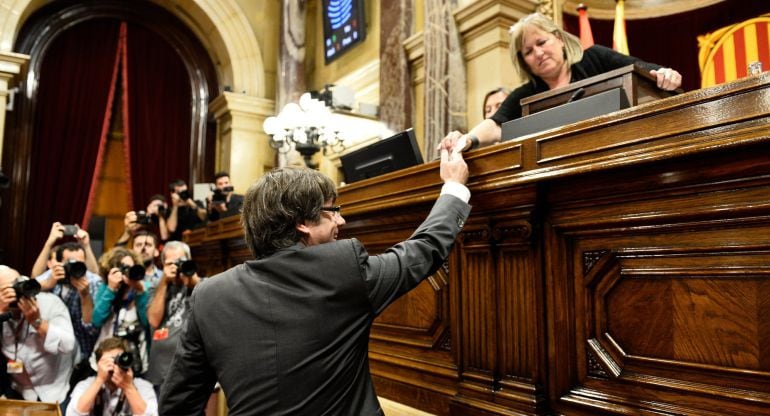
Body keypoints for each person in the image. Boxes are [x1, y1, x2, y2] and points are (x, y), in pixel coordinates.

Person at [159, 144, 471, 415]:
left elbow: (177, 404)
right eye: (332, 210)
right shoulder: (343, 270)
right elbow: (422, 251)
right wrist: (454, 187)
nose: (341, 219)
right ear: (302, 223)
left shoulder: (210, 294)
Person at [442, 12, 683, 151]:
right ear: (524, 61)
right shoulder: (527, 93)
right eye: (527, 51)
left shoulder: (595, 57)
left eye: (541, 42)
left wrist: (665, 75)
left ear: (558, 39)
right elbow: (496, 124)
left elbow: (645, 72)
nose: (537, 53)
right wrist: (467, 139)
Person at [0, 265, 76, 403]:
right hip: (17, 388)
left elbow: (68, 344)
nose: (17, 292)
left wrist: (38, 322)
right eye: (8, 290)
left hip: (53, 389)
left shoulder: (50, 302)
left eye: (17, 283)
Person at [34, 242, 103, 389]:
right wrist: (47, 284)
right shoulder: (53, 275)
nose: (75, 267)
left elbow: (91, 329)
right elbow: (28, 288)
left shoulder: (94, 282)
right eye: (71, 263)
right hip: (52, 357)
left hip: (82, 357)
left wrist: (85, 296)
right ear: (59, 263)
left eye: (80, 263)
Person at [145, 241, 202, 393]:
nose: (175, 267)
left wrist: (191, 279)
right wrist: (164, 281)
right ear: (163, 264)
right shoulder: (155, 287)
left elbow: (208, 298)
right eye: (170, 263)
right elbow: (153, 320)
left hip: (188, 372)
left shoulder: (202, 286)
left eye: (180, 262)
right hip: (160, 370)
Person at [92, 248, 150, 376]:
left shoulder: (143, 288)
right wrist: (111, 289)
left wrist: (140, 291)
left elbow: (147, 323)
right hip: (107, 356)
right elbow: (96, 320)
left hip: (136, 358)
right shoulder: (105, 288)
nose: (127, 271)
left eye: (131, 267)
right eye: (123, 267)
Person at [66, 337, 157, 416]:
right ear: (98, 365)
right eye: (109, 361)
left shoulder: (142, 386)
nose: (115, 366)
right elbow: (73, 414)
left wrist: (128, 387)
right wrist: (100, 379)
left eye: (118, 360)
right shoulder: (86, 385)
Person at [31, 222, 100, 281]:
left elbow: (95, 277)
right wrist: (49, 243)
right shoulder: (55, 275)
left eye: (78, 263)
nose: (72, 266)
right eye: (68, 262)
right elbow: (35, 280)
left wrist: (86, 246)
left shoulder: (86, 278)